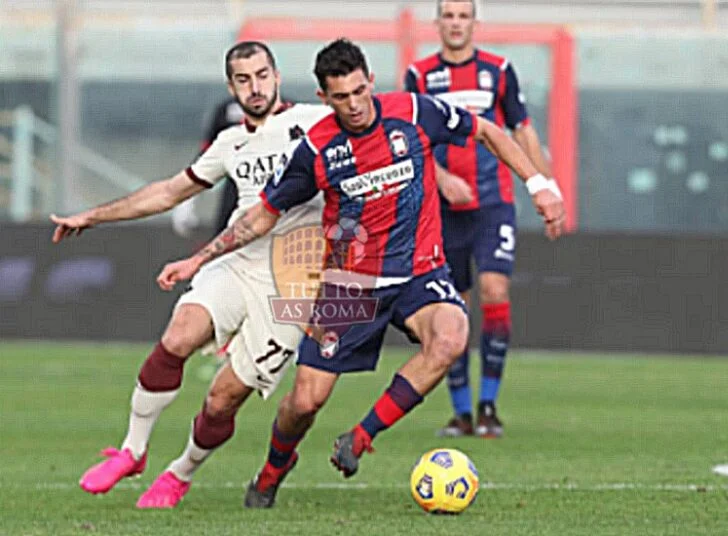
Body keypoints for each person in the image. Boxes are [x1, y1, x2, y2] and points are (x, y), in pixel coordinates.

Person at [157, 38, 564, 509]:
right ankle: (272, 470)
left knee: (451, 336)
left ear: (370, 81)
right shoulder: (316, 149)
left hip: (418, 272)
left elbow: (489, 132)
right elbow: (261, 215)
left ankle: (361, 437)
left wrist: (539, 186)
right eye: (341, 96)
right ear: (324, 97)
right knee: (305, 402)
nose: (354, 105)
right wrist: (199, 259)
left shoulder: (413, 111)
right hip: (349, 285)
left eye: (359, 91)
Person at [49, 41, 332, 508]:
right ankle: (132, 451)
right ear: (230, 86)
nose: (255, 87)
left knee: (223, 399)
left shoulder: (317, 123)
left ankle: (179, 473)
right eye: (244, 79)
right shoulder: (229, 143)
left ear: (277, 75)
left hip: (292, 285)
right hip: (236, 260)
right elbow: (167, 193)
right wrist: (93, 216)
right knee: (179, 336)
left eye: (262, 75)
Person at [404, 0, 559, 438]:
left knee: (494, 288)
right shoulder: (419, 76)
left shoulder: (499, 70)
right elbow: (411, 141)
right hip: (444, 211)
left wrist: (549, 189)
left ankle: (488, 405)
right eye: (448, 16)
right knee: (454, 309)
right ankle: (461, 413)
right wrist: (442, 177)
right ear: (438, 24)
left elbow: (522, 130)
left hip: (494, 203)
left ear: (474, 23)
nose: (455, 24)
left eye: (462, 16)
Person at [171, 96, 242, 238]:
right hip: (236, 188)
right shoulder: (227, 111)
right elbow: (207, 156)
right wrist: (187, 198)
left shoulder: (290, 112)